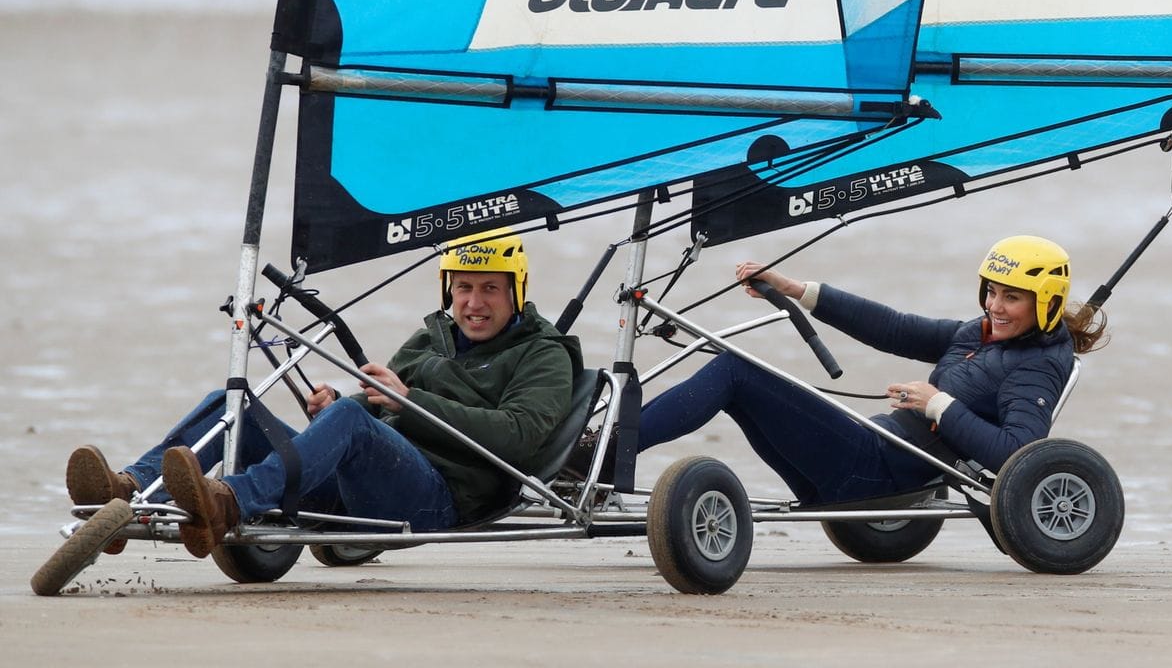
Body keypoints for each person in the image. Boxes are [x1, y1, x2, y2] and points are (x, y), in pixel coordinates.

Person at [64, 230, 583, 558]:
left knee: (354, 424)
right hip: (354, 488)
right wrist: (340, 404)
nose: (474, 302)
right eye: (464, 288)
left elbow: (518, 440)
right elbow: (377, 410)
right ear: (449, 289)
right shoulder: (430, 340)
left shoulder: (543, 354)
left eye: (490, 288)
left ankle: (230, 502)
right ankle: (127, 490)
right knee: (233, 404)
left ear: (516, 291)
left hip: (439, 499)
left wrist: (405, 402)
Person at [638, 235, 1107, 505]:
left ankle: (613, 450)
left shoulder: (1039, 365)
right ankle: (607, 450)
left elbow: (1019, 454)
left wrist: (937, 404)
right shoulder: (980, 331)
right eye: (991, 291)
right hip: (867, 453)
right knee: (738, 377)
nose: (995, 306)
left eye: (1012, 297)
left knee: (735, 370)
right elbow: (894, 328)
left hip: (871, 473)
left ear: (1045, 301)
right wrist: (796, 288)